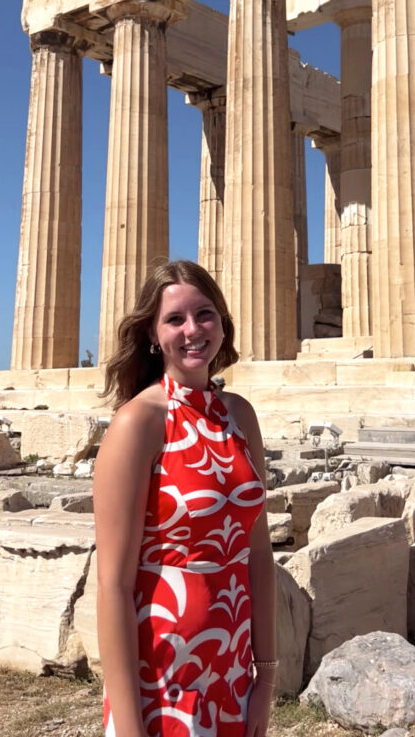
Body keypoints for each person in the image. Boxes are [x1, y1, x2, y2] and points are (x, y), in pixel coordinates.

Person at [93, 260, 277, 737]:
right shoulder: (139, 422)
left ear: (222, 323)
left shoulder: (239, 415)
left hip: (233, 667)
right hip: (165, 673)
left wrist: (267, 673)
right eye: (175, 319)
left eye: (205, 314)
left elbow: (257, 552)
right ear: (153, 335)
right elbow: (113, 585)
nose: (193, 329)